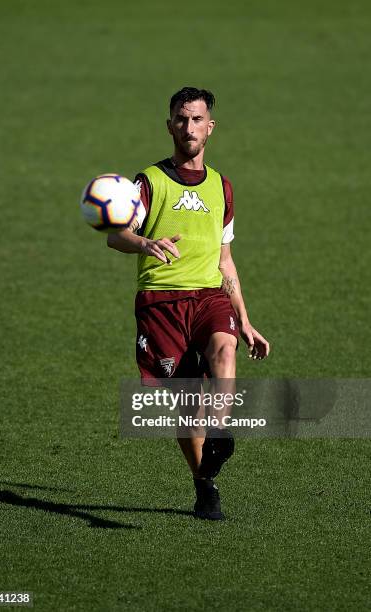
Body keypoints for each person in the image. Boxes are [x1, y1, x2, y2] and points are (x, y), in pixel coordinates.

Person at [108, 87, 270, 520]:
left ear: (210, 127)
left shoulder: (222, 187)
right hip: (161, 302)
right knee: (185, 408)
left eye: (197, 119)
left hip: (208, 294)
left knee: (225, 346)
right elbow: (115, 235)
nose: (189, 127)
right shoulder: (149, 181)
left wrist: (245, 319)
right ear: (170, 125)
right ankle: (204, 485)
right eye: (181, 119)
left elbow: (225, 260)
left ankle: (221, 429)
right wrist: (144, 241)